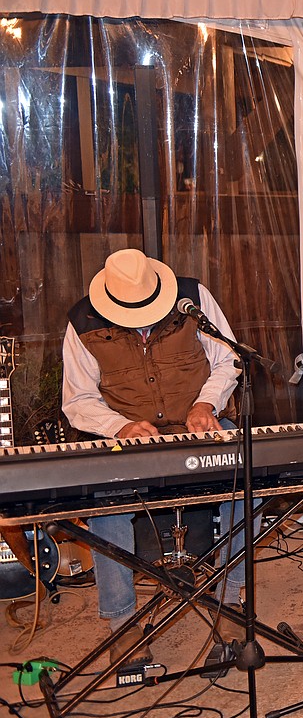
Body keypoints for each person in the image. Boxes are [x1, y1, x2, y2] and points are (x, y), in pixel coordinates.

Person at [61, 248, 247, 666]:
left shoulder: (192, 299)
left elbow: (229, 360)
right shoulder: (83, 321)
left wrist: (207, 404)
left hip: (201, 425)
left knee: (247, 479)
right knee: (106, 504)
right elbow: (78, 400)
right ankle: (123, 626)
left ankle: (229, 600)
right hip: (128, 438)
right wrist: (119, 427)